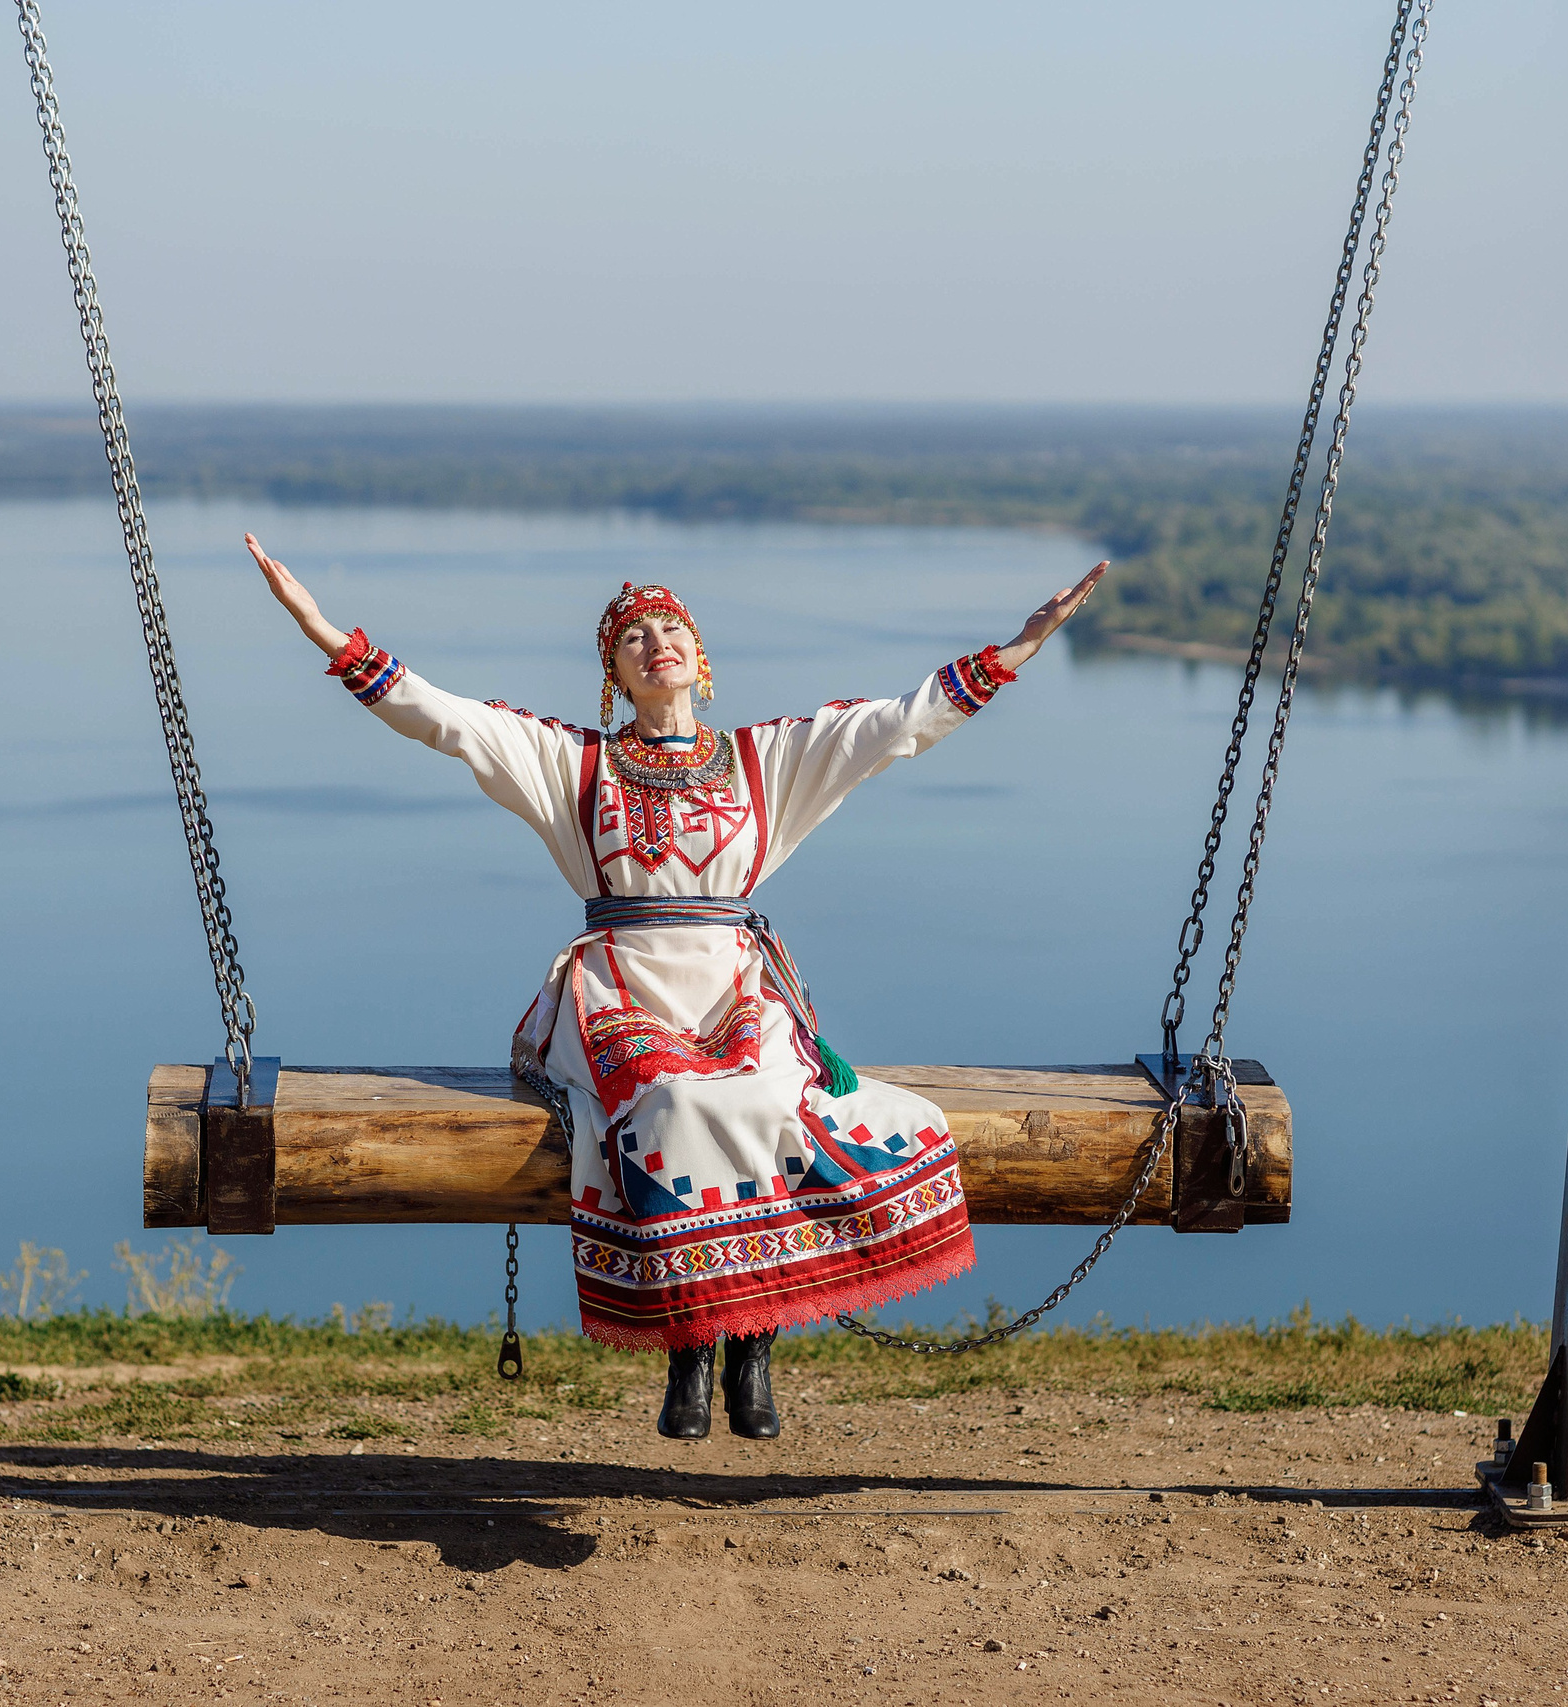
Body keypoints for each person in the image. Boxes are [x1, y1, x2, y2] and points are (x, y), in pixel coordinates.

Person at [246, 535, 1106, 1440]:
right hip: (621, 987)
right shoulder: (575, 764)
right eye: (633, 637)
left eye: (672, 628)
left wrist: (1019, 645)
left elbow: (894, 726)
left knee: (778, 1096)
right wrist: (324, 632)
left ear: (701, 657)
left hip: (737, 985)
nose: (657, 641)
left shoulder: (761, 759)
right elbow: (447, 720)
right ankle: (693, 1345)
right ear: (614, 675)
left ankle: (754, 1346)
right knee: (669, 1099)